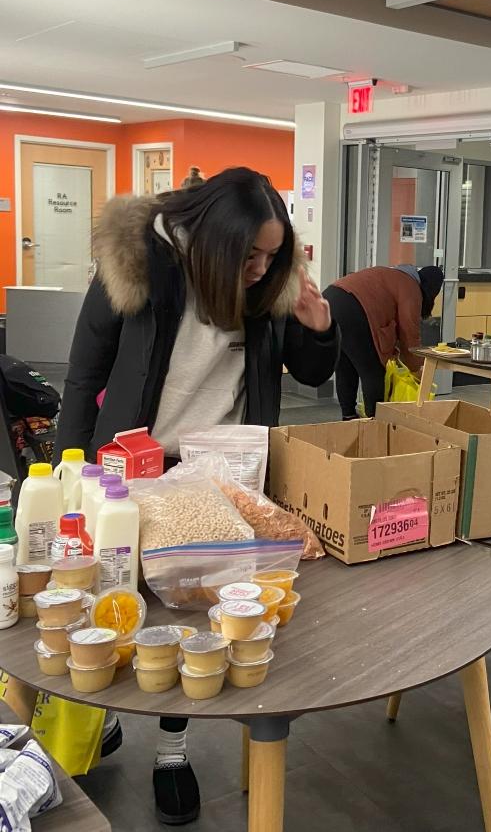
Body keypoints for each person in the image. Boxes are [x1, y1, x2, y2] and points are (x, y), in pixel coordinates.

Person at [55, 167, 339, 825]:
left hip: (223, 473)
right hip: (132, 466)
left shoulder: (268, 282)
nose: (261, 268)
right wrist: (70, 476)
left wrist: (318, 324)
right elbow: (83, 375)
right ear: (211, 240)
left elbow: (316, 369)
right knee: (117, 601)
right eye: (251, 255)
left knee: (194, 613)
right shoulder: (137, 266)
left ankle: (173, 751)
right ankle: (101, 716)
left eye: (273, 255)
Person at [324, 264, 445, 419]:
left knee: (345, 365)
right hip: (352, 308)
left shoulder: (392, 275)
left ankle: (348, 417)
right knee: (373, 370)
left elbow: (389, 321)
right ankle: (375, 422)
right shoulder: (411, 287)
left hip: (328, 301)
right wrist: (416, 369)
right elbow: (409, 334)